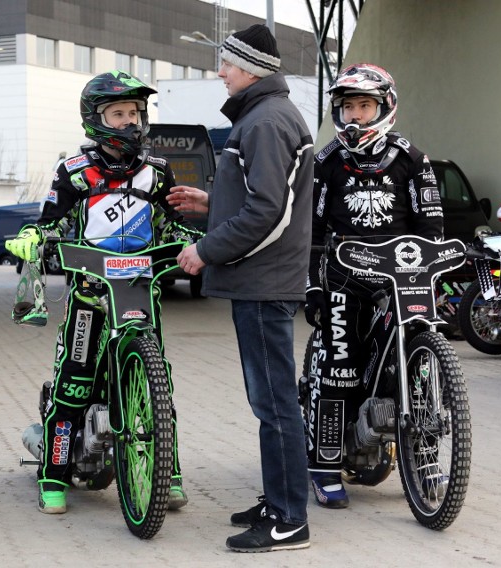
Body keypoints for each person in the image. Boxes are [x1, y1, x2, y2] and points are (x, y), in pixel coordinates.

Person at [4, 70, 203, 515]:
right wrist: (32, 237)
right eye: (119, 114)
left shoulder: (158, 173)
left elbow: (174, 226)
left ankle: (167, 474)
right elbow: (50, 221)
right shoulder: (75, 173)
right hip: (91, 297)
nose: (130, 122)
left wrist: (200, 243)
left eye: (135, 113)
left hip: (140, 292)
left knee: (159, 384)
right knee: (73, 385)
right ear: (96, 119)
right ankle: (52, 475)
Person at [171, 24, 314, 553]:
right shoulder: (263, 116)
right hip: (262, 279)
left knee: (274, 404)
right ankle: (279, 497)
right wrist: (212, 205)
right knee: (271, 401)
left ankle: (288, 519)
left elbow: (269, 214)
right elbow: (268, 200)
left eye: (227, 63)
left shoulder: (267, 121)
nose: (219, 72)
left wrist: (207, 249)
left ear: (251, 68)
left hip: (263, 282)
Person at [303, 63, 444, 509]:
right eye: (348, 108)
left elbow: (432, 227)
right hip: (344, 279)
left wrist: (436, 270)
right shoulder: (326, 162)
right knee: (340, 369)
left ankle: (424, 460)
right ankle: (324, 465)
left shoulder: (412, 159)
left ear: (384, 106)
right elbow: (311, 229)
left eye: (365, 106)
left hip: (401, 282)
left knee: (418, 374)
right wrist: (313, 286)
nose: (356, 117)